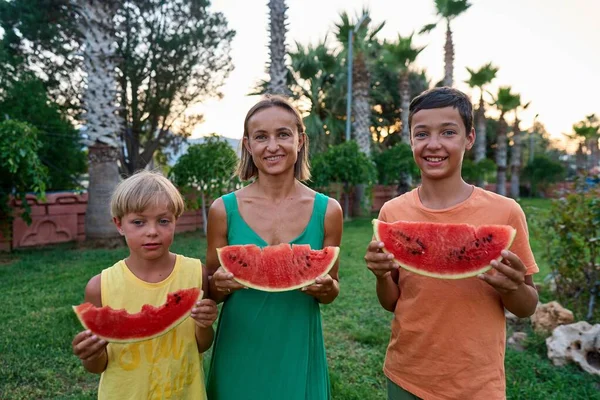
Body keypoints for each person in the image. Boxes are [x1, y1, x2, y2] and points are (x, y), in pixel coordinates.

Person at [364, 87, 539, 400]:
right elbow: (391, 302)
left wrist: (511, 287)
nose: (434, 144)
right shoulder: (392, 212)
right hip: (407, 375)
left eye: (448, 132)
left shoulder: (506, 212)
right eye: (422, 134)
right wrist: (380, 275)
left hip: (477, 383)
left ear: (468, 138)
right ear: (411, 140)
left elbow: (526, 307)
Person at [205, 95, 343, 400]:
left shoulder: (328, 210)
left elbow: (332, 289)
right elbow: (211, 292)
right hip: (239, 346)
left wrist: (324, 288)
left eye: (283, 134)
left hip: (298, 346)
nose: (272, 146)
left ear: (300, 140)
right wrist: (218, 284)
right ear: (247, 145)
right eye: (261, 137)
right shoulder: (222, 209)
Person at [71, 170, 217, 400]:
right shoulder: (100, 287)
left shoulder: (195, 273)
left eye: (163, 221)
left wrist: (205, 324)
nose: (152, 232)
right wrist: (90, 354)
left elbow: (201, 345)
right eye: (138, 222)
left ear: (175, 222)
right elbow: (98, 366)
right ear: (119, 224)